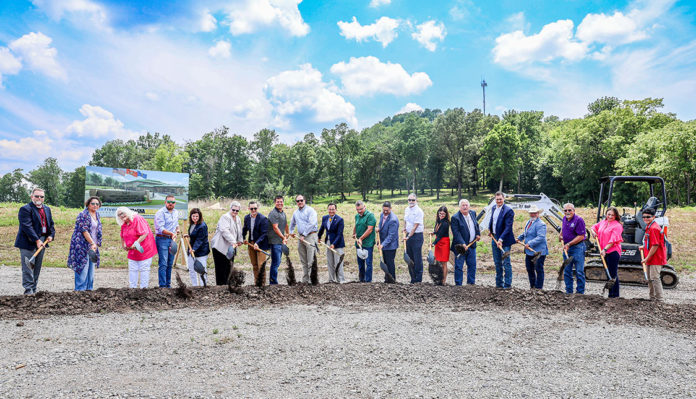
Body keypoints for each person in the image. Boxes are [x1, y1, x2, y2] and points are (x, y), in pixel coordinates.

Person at [15, 188, 55, 295]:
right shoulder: (25, 209)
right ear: (31, 196)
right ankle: (28, 291)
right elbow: (27, 226)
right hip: (28, 241)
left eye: (41, 197)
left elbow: (51, 224)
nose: (39, 198)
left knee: (37, 266)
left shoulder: (47, 209)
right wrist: (37, 240)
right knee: (28, 267)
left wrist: (51, 235)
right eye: (37, 196)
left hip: (42, 240)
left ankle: (34, 289)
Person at [67, 196, 102, 291]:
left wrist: (95, 244)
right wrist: (92, 243)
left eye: (97, 204)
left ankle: (89, 291)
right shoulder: (83, 215)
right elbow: (84, 231)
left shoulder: (97, 215)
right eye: (93, 203)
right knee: (82, 269)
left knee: (91, 271)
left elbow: (97, 231)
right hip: (82, 245)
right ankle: (79, 291)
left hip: (92, 246)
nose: (95, 205)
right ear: (88, 204)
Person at [117, 207, 156, 289]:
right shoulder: (124, 224)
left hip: (144, 248)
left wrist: (136, 243)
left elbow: (144, 233)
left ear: (127, 212)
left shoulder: (137, 218)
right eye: (119, 215)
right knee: (132, 268)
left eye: (123, 213)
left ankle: (143, 289)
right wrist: (123, 245)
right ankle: (132, 288)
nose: (121, 215)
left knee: (144, 268)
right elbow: (122, 236)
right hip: (132, 250)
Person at [591, 206, 624, 298]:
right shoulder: (603, 222)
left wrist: (605, 249)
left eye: (612, 215)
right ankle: (610, 294)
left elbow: (613, 240)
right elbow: (594, 227)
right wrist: (593, 232)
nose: (610, 216)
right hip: (604, 252)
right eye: (608, 214)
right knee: (608, 273)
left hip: (612, 252)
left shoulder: (617, 226)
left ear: (616, 216)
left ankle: (615, 295)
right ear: (606, 214)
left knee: (612, 274)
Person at [211, 201, 244, 285]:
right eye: (233, 210)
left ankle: (227, 286)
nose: (235, 212)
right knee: (221, 270)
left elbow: (239, 232)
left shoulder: (238, 219)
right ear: (230, 209)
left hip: (230, 248)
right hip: (220, 248)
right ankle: (220, 288)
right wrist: (234, 241)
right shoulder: (225, 217)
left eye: (237, 211)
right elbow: (224, 231)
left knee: (229, 268)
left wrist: (240, 241)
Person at [516, 205, 548, 289]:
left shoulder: (541, 224)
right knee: (529, 269)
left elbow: (541, 237)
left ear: (538, 214)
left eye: (534, 213)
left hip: (538, 251)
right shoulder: (529, 222)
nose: (533, 215)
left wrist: (530, 243)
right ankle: (532, 286)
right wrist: (519, 238)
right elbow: (525, 233)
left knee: (538, 269)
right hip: (529, 251)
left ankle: (538, 288)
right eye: (531, 213)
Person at [289, 194, 318, 284]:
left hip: (310, 236)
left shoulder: (310, 210)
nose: (300, 202)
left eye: (301, 200)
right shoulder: (296, 213)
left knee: (311, 260)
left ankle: (312, 280)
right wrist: (291, 231)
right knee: (303, 260)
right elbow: (292, 223)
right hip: (300, 237)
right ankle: (305, 279)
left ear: (304, 201)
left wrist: (304, 234)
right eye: (298, 201)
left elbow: (312, 223)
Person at [450, 199, 480, 285]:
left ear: (469, 206)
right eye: (463, 205)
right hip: (460, 247)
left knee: (472, 265)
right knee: (459, 266)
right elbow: (456, 233)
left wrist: (477, 234)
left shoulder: (473, 213)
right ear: (460, 207)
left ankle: (471, 284)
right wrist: (463, 244)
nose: (465, 207)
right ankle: (458, 285)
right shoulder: (455, 218)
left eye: (466, 205)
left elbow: (476, 225)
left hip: (471, 245)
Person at [488, 191, 515, 289]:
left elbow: (508, 227)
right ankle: (499, 284)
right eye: (497, 199)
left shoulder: (508, 211)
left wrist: (501, 239)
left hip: (505, 240)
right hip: (494, 238)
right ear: (495, 199)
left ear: (504, 199)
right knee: (497, 262)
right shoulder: (494, 208)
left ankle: (507, 285)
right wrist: (490, 230)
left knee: (506, 262)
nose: (499, 201)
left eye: (500, 199)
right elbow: (493, 221)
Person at [559, 203, 587, 294]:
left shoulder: (579, 220)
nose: (567, 212)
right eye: (565, 210)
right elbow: (563, 228)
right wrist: (561, 235)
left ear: (574, 211)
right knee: (567, 271)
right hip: (567, 248)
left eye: (570, 210)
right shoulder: (564, 218)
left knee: (579, 271)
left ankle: (580, 293)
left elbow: (581, 236)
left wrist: (569, 244)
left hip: (578, 247)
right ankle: (569, 292)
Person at [154, 195, 180, 288]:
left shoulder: (176, 212)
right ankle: (162, 286)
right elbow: (160, 228)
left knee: (170, 263)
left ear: (175, 203)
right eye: (169, 202)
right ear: (165, 202)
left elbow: (176, 224)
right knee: (163, 263)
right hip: (162, 239)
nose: (170, 204)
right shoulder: (160, 213)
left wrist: (177, 230)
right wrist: (172, 234)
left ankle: (168, 285)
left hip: (171, 239)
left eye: (173, 202)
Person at [640, 207, 665, 302]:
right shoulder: (649, 226)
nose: (645, 218)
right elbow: (650, 242)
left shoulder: (654, 228)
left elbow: (655, 245)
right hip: (650, 257)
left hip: (656, 257)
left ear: (653, 217)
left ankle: (659, 299)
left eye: (648, 217)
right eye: (644, 217)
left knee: (655, 278)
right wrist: (643, 247)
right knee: (650, 278)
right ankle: (652, 297)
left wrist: (646, 258)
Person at [242, 201, 269, 285]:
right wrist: (242, 238)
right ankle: (256, 283)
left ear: (258, 208)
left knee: (261, 265)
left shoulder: (263, 219)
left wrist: (257, 243)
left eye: (255, 208)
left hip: (261, 245)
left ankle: (262, 284)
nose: (253, 210)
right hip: (251, 244)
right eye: (251, 208)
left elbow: (264, 233)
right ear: (249, 208)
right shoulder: (247, 218)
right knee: (254, 265)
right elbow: (245, 229)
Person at [318, 203, 345, 283]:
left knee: (338, 262)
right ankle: (331, 279)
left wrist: (334, 244)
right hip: (328, 242)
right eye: (330, 209)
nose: (331, 211)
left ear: (336, 210)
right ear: (327, 209)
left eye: (333, 209)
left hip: (338, 244)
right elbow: (322, 228)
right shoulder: (325, 218)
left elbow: (339, 234)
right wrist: (318, 237)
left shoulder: (340, 220)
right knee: (330, 262)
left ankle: (340, 280)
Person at [183, 208, 210, 287]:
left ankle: (203, 286)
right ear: (191, 216)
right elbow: (194, 235)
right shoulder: (192, 224)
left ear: (200, 216)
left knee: (202, 270)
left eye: (196, 216)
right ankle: (195, 286)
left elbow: (200, 239)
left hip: (201, 251)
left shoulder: (202, 226)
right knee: (192, 269)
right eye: (193, 216)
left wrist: (194, 249)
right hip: (192, 250)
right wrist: (188, 235)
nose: (195, 218)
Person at [403, 193, 424, 283]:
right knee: (409, 257)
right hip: (408, 236)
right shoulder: (407, 209)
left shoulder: (419, 211)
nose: (411, 202)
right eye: (409, 200)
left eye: (413, 200)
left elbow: (415, 226)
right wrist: (404, 229)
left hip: (417, 236)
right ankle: (412, 278)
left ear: (416, 201)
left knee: (417, 258)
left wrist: (408, 236)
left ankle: (418, 279)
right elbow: (405, 220)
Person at [268, 196, 289, 285]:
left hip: (280, 241)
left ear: (283, 202)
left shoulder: (282, 213)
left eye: (281, 202)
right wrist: (283, 238)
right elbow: (275, 228)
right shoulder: (273, 213)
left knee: (278, 262)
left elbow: (285, 224)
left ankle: (273, 281)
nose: (279, 203)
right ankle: (273, 282)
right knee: (275, 262)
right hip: (274, 242)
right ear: (274, 203)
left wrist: (288, 233)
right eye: (277, 202)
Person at [353, 200, 376, 282]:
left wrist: (361, 238)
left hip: (368, 243)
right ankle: (361, 279)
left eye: (361, 209)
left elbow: (370, 229)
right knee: (360, 263)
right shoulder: (357, 216)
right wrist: (354, 233)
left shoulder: (370, 216)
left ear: (364, 207)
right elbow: (356, 225)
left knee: (368, 263)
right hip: (359, 243)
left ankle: (368, 281)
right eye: (357, 209)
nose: (359, 211)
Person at [377, 201, 399, 283]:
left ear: (391, 209)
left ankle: (392, 280)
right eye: (384, 210)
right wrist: (378, 229)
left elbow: (391, 236)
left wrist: (382, 245)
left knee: (390, 263)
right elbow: (380, 225)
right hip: (383, 243)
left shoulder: (393, 220)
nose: (385, 212)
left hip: (391, 245)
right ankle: (387, 279)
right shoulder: (382, 215)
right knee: (385, 262)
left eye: (387, 210)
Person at [430, 206, 450, 285]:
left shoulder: (445, 223)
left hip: (444, 242)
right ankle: (439, 279)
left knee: (444, 262)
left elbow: (441, 234)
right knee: (438, 261)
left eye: (443, 214)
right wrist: (433, 233)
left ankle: (443, 281)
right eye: (440, 213)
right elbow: (437, 231)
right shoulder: (438, 221)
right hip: (438, 241)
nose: (441, 215)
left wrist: (433, 243)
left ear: (446, 214)